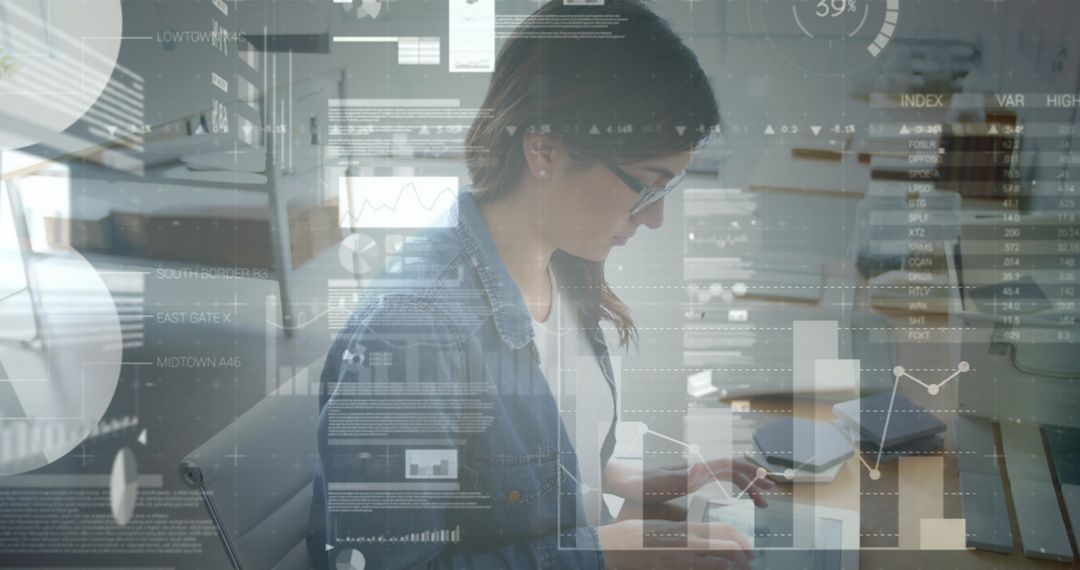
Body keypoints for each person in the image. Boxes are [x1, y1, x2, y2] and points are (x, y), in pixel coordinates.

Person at [309, 1, 773, 568]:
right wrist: (603, 553)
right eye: (648, 187)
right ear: (545, 151)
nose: (652, 219)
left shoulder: (561, 263)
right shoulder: (411, 332)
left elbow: (531, 454)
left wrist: (659, 481)